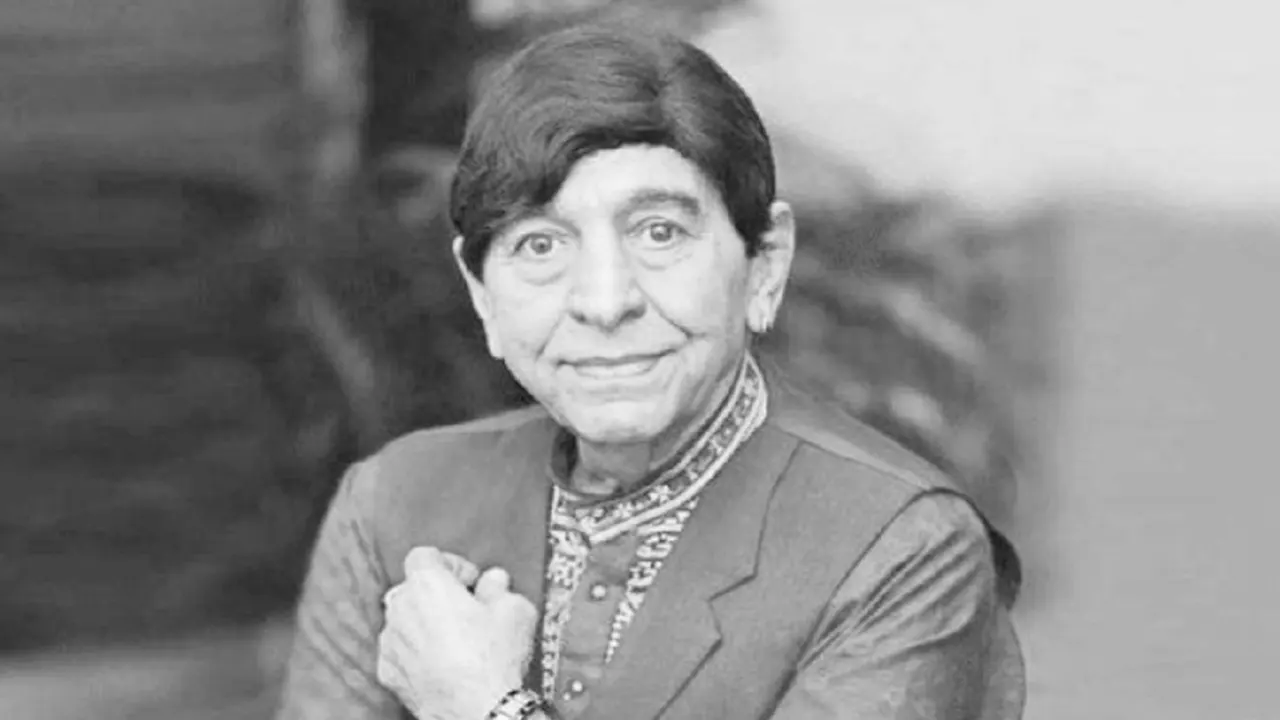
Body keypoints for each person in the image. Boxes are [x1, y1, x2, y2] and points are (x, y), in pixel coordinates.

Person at [275, 23, 1025, 720]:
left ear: (765, 265)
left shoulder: (900, 547)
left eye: (659, 233)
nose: (605, 302)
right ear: (483, 296)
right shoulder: (393, 505)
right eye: (540, 246)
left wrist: (483, 703)